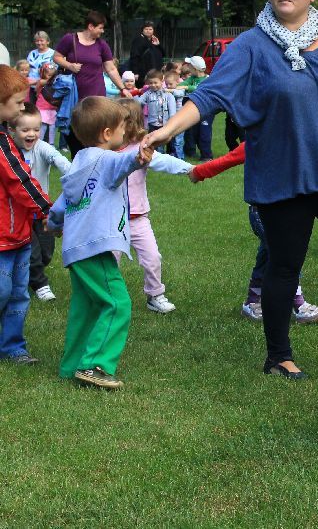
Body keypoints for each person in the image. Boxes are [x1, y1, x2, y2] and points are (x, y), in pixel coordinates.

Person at [143, 0, 318, 379]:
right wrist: (165, 131)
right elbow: (210, 95)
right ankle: (278, 356)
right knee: (284, 266)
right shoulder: (252, 45)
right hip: (282, 175)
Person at [47, 97, 153, 389]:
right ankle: (95, 365)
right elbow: (124, 162)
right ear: (107, 133)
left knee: (86, 308)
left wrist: (54, 224)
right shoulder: (107, 160)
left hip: (75, 249)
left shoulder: (78, 162)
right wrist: (138, 157)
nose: (125, 133)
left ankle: (71, 366)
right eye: (122, 127)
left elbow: (61, 203)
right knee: (117, 303)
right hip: (95, 247)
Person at [188, 141, 318, 325]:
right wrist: (198, 172)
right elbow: (227, 160)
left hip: (285, 211)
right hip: (262, 213)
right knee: (286, 255)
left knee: (267, 256)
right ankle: (299, 306)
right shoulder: (258, 140)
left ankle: (252, 302)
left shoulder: (295, 141)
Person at [115, 99, 192, 314]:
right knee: (110, 261)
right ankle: (108, 298)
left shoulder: (142, 150)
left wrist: (190, 169)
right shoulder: (105, 152)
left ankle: (155, 295)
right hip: (110, 221)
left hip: (138, 218)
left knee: (152, 257)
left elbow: (165, 162)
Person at [0, 66, 52, 364]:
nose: (23, 106)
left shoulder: (7, 140)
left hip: (19, 236)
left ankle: (12, 347)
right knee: (3, 291)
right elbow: (20, 182)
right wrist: (47, 210)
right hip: (2, 239)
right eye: (19, 101)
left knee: (19, 295)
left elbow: (24, 179)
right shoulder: (2, 144)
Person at [11, 103, 71, 303]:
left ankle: (24, 273)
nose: (32, 134)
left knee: (45, 253)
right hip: (21, 213)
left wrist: (72, 173)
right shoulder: (9, 151)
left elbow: (57, 158)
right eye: (25, 130)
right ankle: (40, 285)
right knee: (33, 253)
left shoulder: (41, 147)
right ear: (12, 130)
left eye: (37, 129)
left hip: (43, 212)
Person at [52, 11, 130, 156]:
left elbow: (111, 68)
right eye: (100, 28)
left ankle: (96, 164)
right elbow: (56, 57)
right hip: (74, 97)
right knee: (74, 134)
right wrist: (69, 65)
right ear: (90, 26)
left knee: (96, 133)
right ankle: (78, 161)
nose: (102, 31)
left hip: (96, 97)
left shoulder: (102, 45)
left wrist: (122, 88)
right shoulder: (70, 39)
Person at [179, 56, 211, 160]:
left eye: (190, 66)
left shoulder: (208, 79)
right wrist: (182, 86)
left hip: (206, 110)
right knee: (192, 131)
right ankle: (190, 152)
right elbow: (181, 84)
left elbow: (201, 88)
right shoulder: (192, 78)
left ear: (195, 68)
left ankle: (206, 156)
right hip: (193, 108)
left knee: (204, 133)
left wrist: (187, 87)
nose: (188, 67)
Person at [135, 70, 176, 144]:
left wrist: (171, 121)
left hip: (166, 123)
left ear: (161, 81)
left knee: (170, 142)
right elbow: (139, 101)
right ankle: (156, 153)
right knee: (155, 142)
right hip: (153, 124)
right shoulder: (147, 94)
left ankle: (172, 153)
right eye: (150, 83)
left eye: (155, 83)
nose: (153, 85)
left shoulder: (168, 94)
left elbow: (172, 111)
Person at [34, 63, 59, 145]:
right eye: (49, 75)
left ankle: (51, 143)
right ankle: (39, 142)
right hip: (42, 108)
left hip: (52, 108)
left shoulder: (54, 82)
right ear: (43, 74)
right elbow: (37, 90)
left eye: (53, 75)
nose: (51, 77)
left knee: (52, 126)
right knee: (43, 126)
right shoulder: (42, 81)